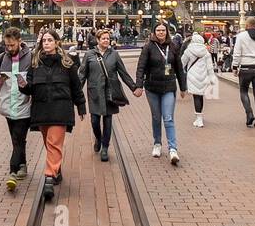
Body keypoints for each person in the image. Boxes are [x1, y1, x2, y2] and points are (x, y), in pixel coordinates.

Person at [26, 28, 85, 201]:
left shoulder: (67, 63)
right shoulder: (35, 64)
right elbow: (29, 86)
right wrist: (23, 86)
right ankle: (56, 170)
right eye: (44, 41)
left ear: (57, 43)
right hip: (42, 109)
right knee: (49, 143)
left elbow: (76, 87)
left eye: (50, 40)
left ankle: (49, 177)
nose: (46, 43)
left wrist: (81, 106)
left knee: (53, 143)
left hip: (61, 108)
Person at [79, 28, 138, 159]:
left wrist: (134, 87)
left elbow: (123, 73)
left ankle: (105, 147)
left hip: (110, 92)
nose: (106, 40)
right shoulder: (90, 55)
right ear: (98, 40)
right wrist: (76, 92)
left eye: (108, 38)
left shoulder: (114, 54)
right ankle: (98, 139)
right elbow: (82, 75)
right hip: (95, 92)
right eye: (103, 38)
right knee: (94, 121)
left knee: (108, 120)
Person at [135, 21, 187, 162]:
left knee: (168, 117)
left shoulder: (173, 47)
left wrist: (183, 87)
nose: (161, 33)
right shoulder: (148, 47)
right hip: (152, 88)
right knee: (156, 117)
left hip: (168, 87)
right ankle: (157, 143)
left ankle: (173, 149)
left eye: (163, 30)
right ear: (154, 32)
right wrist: (139, 85)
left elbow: (179, 68)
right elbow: (141, 67)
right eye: (158, 30)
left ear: (167, 32)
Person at [0, 27, 34, 189]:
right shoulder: (1, 58)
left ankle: (13, 172)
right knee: (17, 140)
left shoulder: (31, 57)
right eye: (7, 45)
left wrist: (27, 84)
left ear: (20, 41)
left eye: (12, 45)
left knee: (18, 138)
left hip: (24, 106)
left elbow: (38, 80)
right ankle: (22, 165)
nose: (9, 48)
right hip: (8, 106)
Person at [231, 16, 255, 128]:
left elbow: (237, 53)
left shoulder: (241, 36)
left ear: (246, 25)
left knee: (243, 92)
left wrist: (234, 67)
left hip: (246, 68)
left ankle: (249, 114)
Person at [180, 31, 215, 128]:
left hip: (192, 76)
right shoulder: (206, 52)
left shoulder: (188, 50)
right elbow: (210, 67)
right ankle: (200, 117)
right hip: (203, 76)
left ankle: (198, 119)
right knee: (200, 96)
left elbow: (182, 63)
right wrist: (212, 78)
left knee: (196, 97)